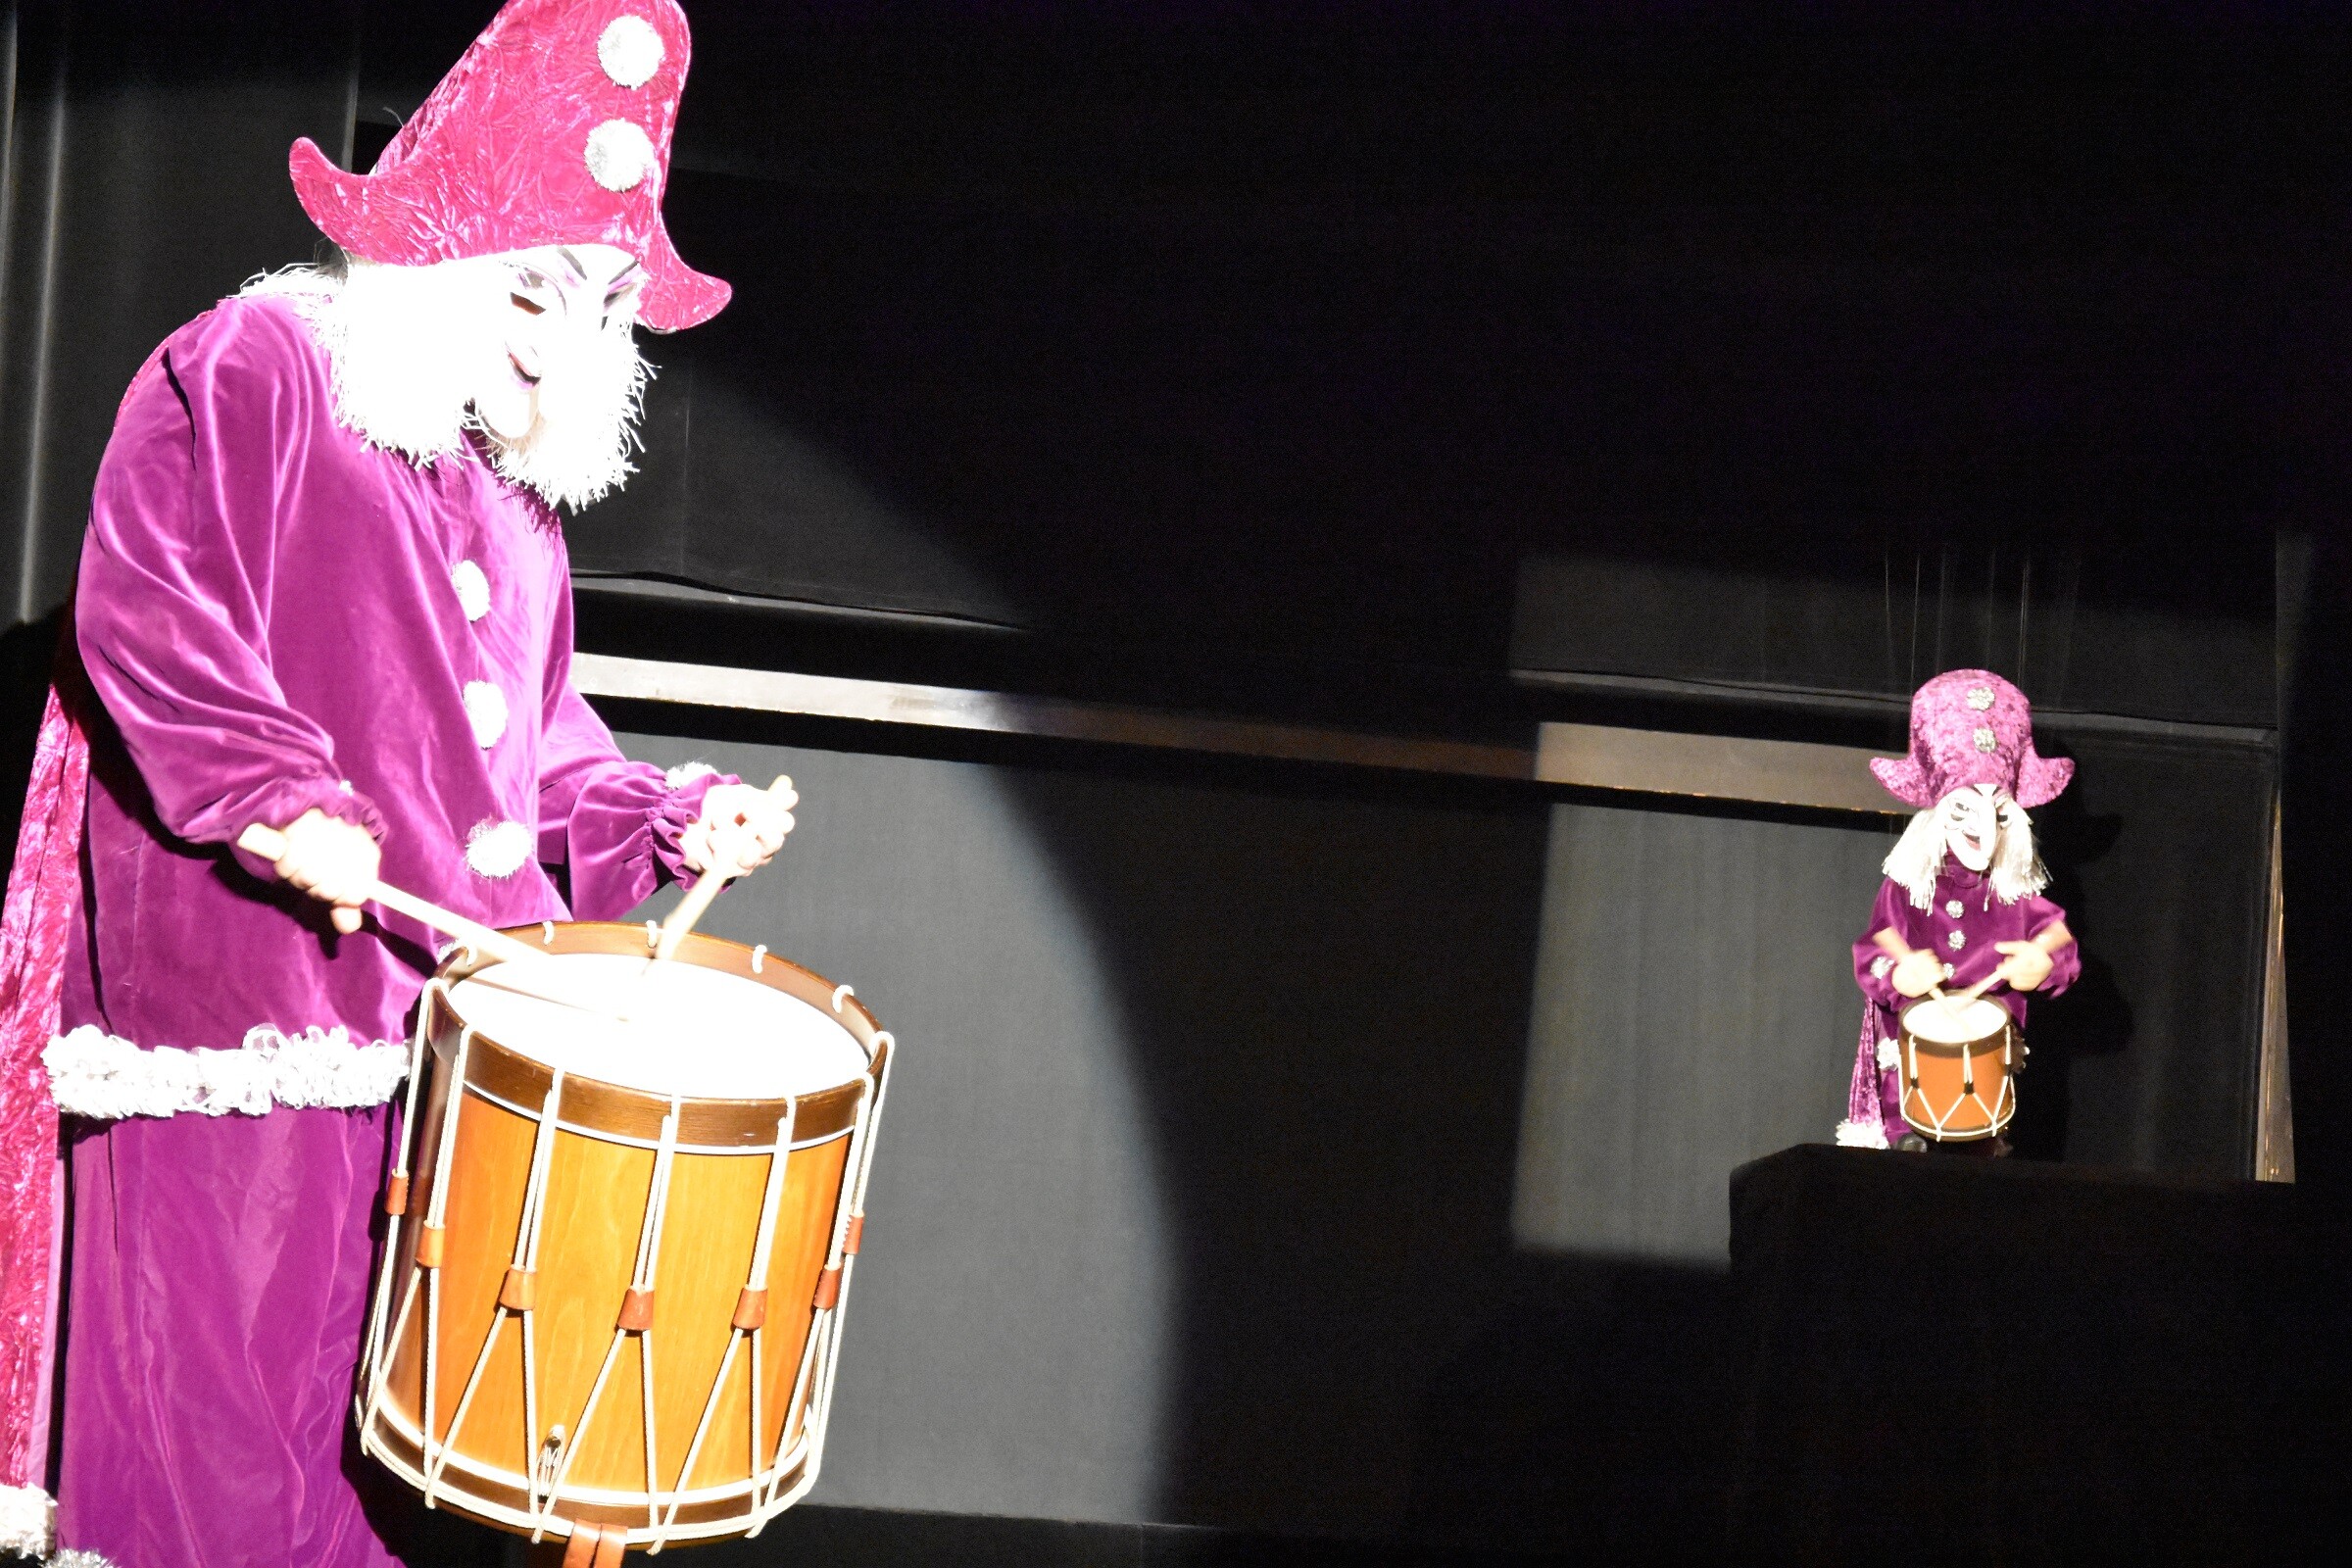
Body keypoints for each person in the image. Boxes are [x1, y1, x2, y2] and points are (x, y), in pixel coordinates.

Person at [0, 4, 790, 1562]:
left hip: (431, 1040)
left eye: (599, 310)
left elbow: (537, 745)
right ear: (437, 244)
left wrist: (665, 815)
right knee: (205, 1460)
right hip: (239, 1014)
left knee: (357, 1465)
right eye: (532, 290)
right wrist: (277, 795)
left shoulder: (509, 499)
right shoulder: (259, 363)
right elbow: (151, 600)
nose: (555, 342)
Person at [1837, 669, 2081, 1152]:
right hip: (1908, 1065)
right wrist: (1897, 974)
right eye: (1964, 808)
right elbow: (1873, 950)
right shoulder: (1909, 883)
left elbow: (2061, 945)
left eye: (2000, 812)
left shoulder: (2016, 892)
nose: (1984, 829)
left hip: (1986, 1071)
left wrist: (2045, 965)